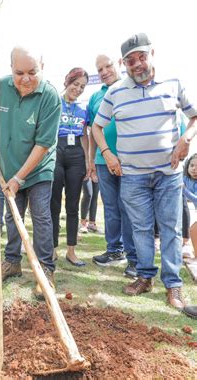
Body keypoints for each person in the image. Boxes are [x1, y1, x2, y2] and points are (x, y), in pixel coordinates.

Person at [92, 33, 197, 309]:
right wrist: (107, 153)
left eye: (141, 57)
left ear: (152, 53)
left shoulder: (173, 83)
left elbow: (194, 116)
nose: (137, 64)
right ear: (123, 63)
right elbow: (96, 128)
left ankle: (173, 285)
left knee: (171, 229)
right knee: (140, 229)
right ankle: (145, 276)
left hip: (168, 173)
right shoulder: (115, 92)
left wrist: (186, 139)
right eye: (130, 60)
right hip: (133, 176)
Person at [0, 46, 61, 296]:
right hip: (8, 166)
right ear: (11, 69)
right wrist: (4, 171)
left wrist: (19, 177)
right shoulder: (0, 87)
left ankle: (45, 269)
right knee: (12, 217)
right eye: (19, 72)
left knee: (41, 215)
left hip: (38, 169)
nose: (26, 79)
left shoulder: (50, 96)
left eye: (32, 72)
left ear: (42, 66)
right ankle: (12, 262)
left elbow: (43, 144)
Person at [88, 54, 138, 279]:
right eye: (99, 69)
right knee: (110, 208)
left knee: (128, 208)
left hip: (129, 160)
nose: (104, 71)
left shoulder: (132, 88)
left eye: (108, 66)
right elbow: (92, 130)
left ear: (118, 63)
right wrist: (90, 159)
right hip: (102, 160)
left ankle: (134, 257)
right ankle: (114, 250)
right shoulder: (95, 98)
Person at [50, 68, 89, 267]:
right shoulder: (54, 101)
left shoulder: (84, 107)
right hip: (56, 151)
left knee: (72, 205)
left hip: (76, 156)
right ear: (67, 81)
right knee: (54, 204)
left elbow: (85, 135)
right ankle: (53, 249)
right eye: (76, 84)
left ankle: (71, 251)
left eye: (82, 86)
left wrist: (89, 162)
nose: (78, 89)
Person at [183, 154, 197, 255]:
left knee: (193, 230)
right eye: (192, 165)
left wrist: (184, 190)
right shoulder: (186, 179)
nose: (194, 169)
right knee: (193, 231)